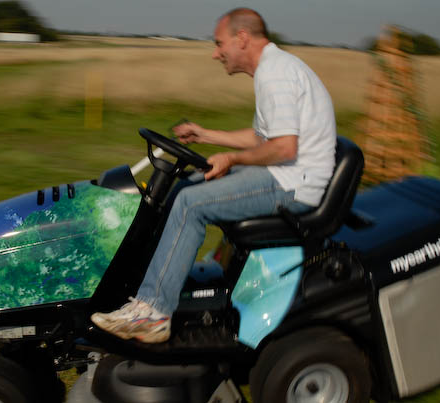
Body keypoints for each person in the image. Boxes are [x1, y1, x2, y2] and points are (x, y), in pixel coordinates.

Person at [91, 8, 336, 343]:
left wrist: (231, 159)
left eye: (219, 43)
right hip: (286, 174)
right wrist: (205, 135)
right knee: (186, 186)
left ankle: (153, 313)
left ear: (242, 38)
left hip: (293, 184)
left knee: (190, 204)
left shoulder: (276, 74)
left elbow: (283, 148)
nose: (215, 53)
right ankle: (144, 285)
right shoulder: (273, 69)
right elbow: (261, 139)